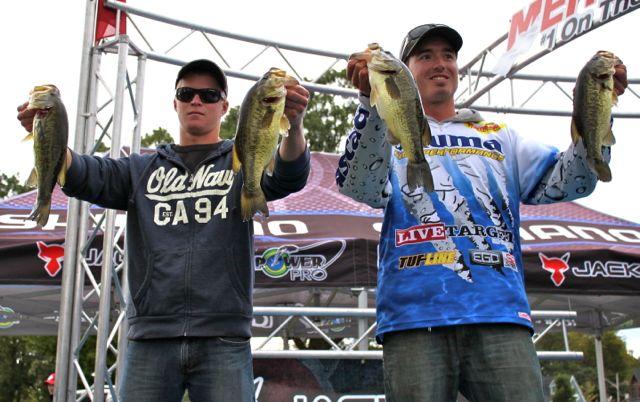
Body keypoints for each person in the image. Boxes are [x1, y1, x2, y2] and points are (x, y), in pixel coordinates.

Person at [337, 24, 628, 401]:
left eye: (448, 55)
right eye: (425, 56)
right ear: (404, 72)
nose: (440, 64)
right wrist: (369, 101)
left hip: (500, 313)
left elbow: (572, 182)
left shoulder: (499, 134)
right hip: (413, 318)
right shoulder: (386, 135)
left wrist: (598, 110)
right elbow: (357, 186)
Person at [18, 59, 311, 401]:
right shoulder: (140, 169)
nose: (196, 101)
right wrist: (49, 131)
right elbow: (84, 173)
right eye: (187, 93)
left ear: (225, 106)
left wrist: (295, 124)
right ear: (175, 103)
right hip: (150, 338)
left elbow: (289, 175)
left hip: (224, 336)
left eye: (209, 94)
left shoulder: (244, 158)